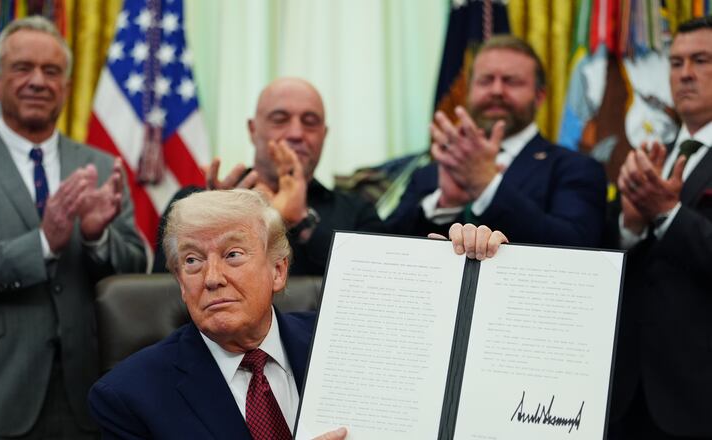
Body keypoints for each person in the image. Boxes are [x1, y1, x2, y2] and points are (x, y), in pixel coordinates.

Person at [89, 189, 507, 439]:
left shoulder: (346, 343)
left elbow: (441, 351)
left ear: (278, 270)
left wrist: (464, 266)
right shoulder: (129, 396)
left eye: (233, 254)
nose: (211, 277)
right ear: (181, 282)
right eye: (193, 262)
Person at [0, 16, 146, 438]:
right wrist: (43, 243)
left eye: (52, 71)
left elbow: (137, 270)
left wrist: (96, 236)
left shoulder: (100, 166)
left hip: (90, 395)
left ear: (65, 86)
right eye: (23, 68)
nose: (38, 81)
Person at [386, 35, 607, 247]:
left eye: (512, 81)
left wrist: (487, 187)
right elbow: (383, 249)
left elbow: (576, 247)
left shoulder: (576, 168)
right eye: (485, 80)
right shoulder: (433, 173)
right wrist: (444, 203)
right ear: (469, 91)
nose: (497, 90)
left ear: (539, 96)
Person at [152, 77, 385, 275]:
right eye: (280, 119)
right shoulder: (193, 205)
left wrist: (302, 223)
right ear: (253, 130)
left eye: (310, 123)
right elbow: (160, 292)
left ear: (324, 135)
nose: (296, 133)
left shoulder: (357, 213)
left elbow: (373, 290)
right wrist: (217, 219)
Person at [608, 16, 712, 440]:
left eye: (701, 60)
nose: (684, 73)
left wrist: (669, 214)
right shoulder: (653, 155)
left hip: (698, 396)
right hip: (627, 392)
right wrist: (629, 226)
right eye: (675, 63)